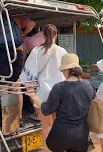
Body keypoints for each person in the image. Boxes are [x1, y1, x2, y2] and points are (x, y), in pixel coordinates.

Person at [26, 53, 94, 152]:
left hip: (61, 135)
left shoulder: (59, 87)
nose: (62, 72)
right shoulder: (88, 85)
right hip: (82, 135)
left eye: (62, 70)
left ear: (66, 70)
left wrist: (33, 95)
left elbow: (46, 110)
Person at [18, 24, 67, 152]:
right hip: (59, 92)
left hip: (41, 93)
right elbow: (67, 72)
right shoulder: (62, 52)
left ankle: (47, 149)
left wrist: (23, 84)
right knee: (57, 124)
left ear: (44, 36)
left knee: (46, 126)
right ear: (56, 35)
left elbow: (28, 73)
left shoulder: (36, 51)